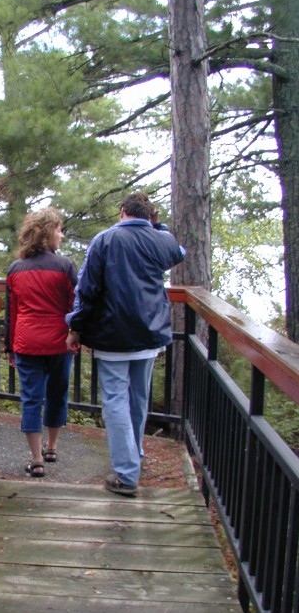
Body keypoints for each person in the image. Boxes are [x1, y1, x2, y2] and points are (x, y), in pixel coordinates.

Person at [65, 192, 185, 497]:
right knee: (138, 398)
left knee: (116, 400)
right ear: (149, 216)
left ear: (122, 212)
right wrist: (157, 226)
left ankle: (127, 473)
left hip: (111, 334)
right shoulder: (162, 240)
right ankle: (136, 453)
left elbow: (87, 289)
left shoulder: (104, 241)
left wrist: (76, 327)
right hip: (149, 334)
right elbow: (177, 251)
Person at [4, 207, 78, 478]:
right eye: (59, 230)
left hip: (27, 342)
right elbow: (75, 306)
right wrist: (77, 335)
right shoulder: (66, 267)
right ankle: (52, 447)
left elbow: (11, 313)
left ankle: (36, 460)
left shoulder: (15, 269)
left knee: (31, 399)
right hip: (60, 343)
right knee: (58, 394)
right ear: (48, 232)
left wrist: (10, 347)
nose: (61, 235)